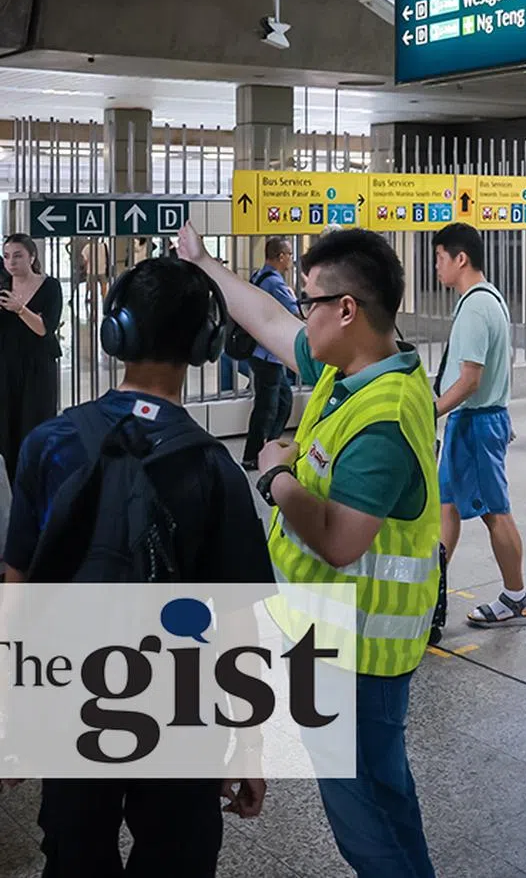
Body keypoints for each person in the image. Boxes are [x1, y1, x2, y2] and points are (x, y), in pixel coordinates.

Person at [177, 222, 440, 878]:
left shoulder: (381, 419)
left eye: (310, 300)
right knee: (387, 798)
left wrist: (276, 475)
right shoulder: (351, 369)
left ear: (345, 310)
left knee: (367, 829)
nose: (299, 312)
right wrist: (204, 262)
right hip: (341, 648)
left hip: (357, 660)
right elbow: (265, 319)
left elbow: (340, 541)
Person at [2, 256, 272, 876]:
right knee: (177, 855)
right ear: (207, 345)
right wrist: (250, 745)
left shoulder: (48, 444)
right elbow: (235, 623)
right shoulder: (216, 469)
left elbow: (15, 589)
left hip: (71, 694)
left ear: (114, 332)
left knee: (74, 854)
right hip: (180, 705)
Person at [432, 222, 526, 629]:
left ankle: (516, 597)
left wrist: (431, 410)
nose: (436, 266)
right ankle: (431, 587)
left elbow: (470, 379)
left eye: (440, 258)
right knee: (449, 506)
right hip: (470, 420)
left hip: (474, 422)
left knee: (495, 510)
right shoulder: (484, 299)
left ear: (461, 259)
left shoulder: (476, 306)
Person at [0, 234, 63, 484]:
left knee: (35, 424)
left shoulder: (50, 287)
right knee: (6, 424)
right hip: (5, 366)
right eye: (6, 257)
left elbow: (44, 328)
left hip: (37, 367)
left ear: (32, 257)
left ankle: (36, 482)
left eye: (18, 256)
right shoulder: (3, 285)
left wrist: (20, 309)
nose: (11, 262)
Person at [241, 236, 300, 470]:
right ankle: (253, 455)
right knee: (267, 407)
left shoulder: (259, 275)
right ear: (281, 256)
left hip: (259, 351)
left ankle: (270, 446)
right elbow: (295, 313)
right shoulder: (275, 283)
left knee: (283, 400)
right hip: (269, 353)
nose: (291, 261)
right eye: (290, 256)